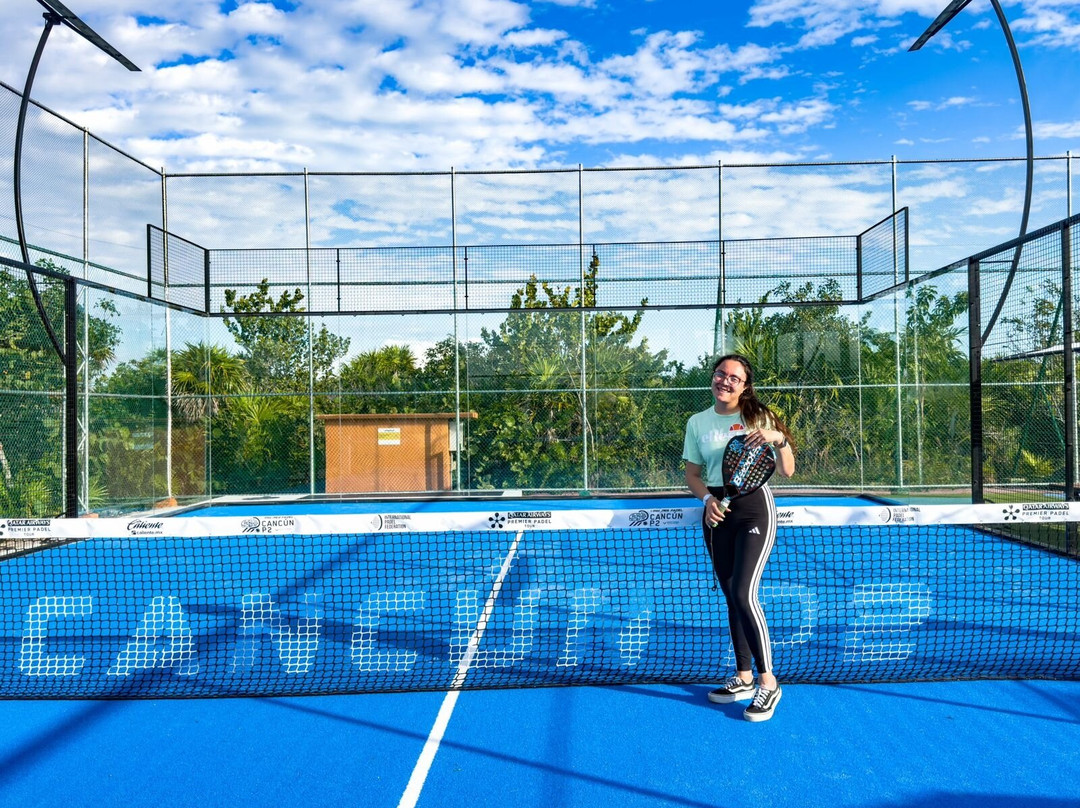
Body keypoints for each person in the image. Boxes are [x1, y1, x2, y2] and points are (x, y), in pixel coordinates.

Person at [683, 353, 795, 722]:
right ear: (712, 378)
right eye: (720, 374)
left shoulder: (756, 417)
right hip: (717, 513)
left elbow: (788, 470)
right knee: (732, 595)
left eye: (734, 377)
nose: (725, 381)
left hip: (753, 511)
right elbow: (693, 475)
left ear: (745, 385)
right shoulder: (697, 422)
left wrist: (778, 438)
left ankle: (768, 683)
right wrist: (707, 500)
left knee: (745, 592)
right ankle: (744, 677)